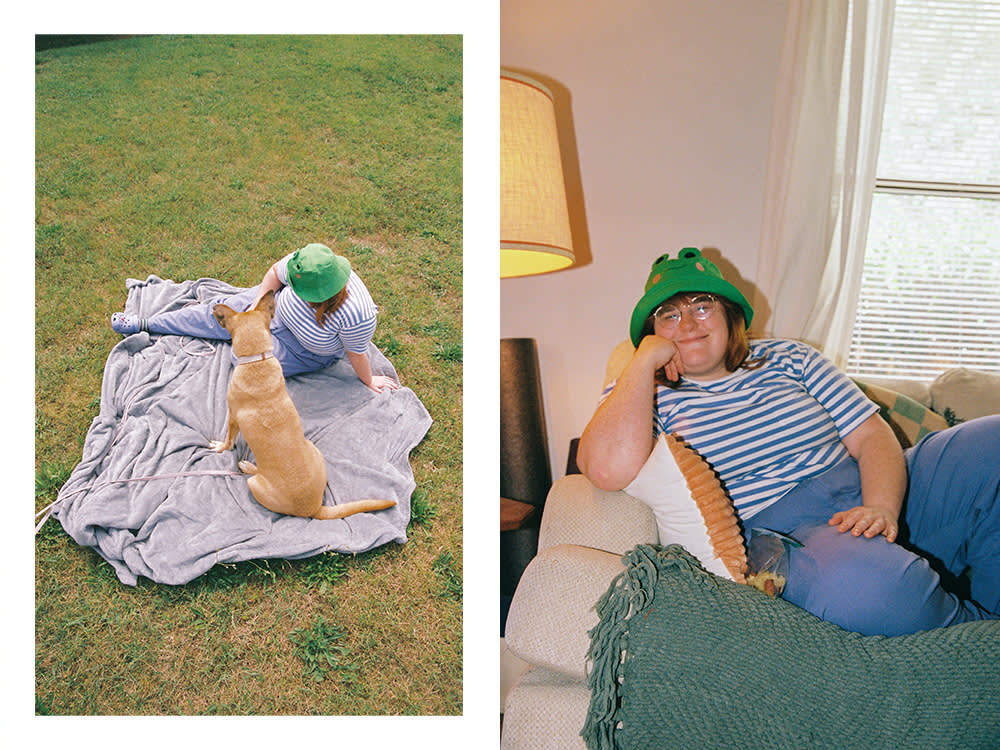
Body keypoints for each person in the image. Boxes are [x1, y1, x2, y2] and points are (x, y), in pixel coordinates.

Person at [577, 247, 1000, 636]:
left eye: (701, 306)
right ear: (652, 331)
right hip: (797, 530)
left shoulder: (789, 357)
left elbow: (871, 436)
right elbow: (605, 469)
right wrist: (642, 362)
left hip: (879, 490)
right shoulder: (642, 395)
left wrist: (881, 507)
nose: (686, 323)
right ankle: (979, 640)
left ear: (729, 315)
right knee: (871, 587)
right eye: (668, 315)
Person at [111, 243, 400, 393]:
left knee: (245, 362)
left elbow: (357, 353)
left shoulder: (357, 315)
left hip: (305, 352)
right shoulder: (307, 264)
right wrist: (257, 304)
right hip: (272, 313)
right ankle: (148, 323)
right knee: (216, 312)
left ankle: (240, 341)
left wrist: (368, 379)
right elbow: (275, 273)